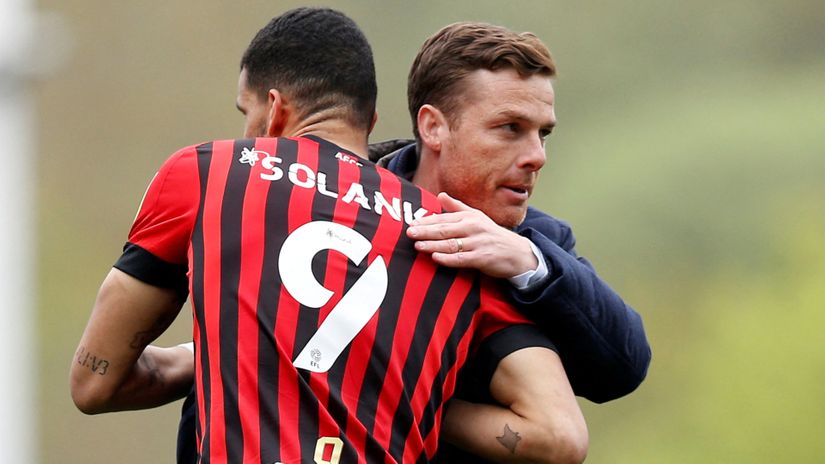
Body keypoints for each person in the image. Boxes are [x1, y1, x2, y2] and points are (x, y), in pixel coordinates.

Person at [70, 8, 586, 464]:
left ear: (274, 109)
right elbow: (558, 435)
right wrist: (411, 396)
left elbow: (95, 383)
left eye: (245, 113)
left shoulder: (211, 173)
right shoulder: (454, 235)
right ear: (371, 121)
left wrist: (216, 353)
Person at [365, 21, 652, 462]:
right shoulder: (348, 206)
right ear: (434, 127)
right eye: (510, 127)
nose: (536, 155)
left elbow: (623, 368)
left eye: (544, 133)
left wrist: (527, 263)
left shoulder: (542, 245)